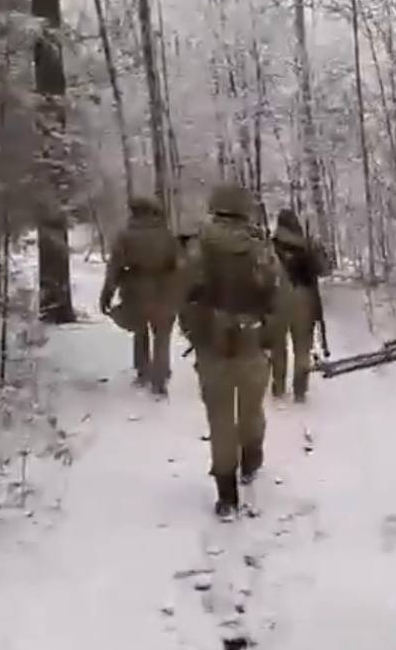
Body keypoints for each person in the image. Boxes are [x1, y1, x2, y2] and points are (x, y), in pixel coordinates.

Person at [179, 184, 281, 519]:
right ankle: (251, 459)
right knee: (251, 409)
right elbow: (275, 293)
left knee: (220, 418)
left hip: (211, 343)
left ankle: (226, 496)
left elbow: (184, 293)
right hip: (251, 339)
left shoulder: (197, 245)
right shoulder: (259, 247)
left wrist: (195, 330)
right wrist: (268, 333)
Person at [99, 196, 181, 397]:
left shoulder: (125, 236)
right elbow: (180, 265)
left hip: (135, 291)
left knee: (140, 330)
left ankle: (143, 371)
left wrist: (107, 294)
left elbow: (114, 268)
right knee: (162, 335)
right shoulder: (167, 236)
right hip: (164, 291)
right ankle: (159, 379)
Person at [269, 208, 329, 401]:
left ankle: (278, 386)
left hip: (278, 296)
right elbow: (324, 270)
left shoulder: (271, 245)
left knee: (278, 345)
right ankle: (300, 390)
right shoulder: (307, 245)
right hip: (305, 298)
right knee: (302, 347)